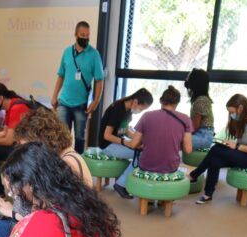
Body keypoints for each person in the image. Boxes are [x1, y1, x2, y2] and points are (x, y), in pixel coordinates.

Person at [0, 108, 95, 237]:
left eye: (25, 146)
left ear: (40, 142)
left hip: (51, 233)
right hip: (37, 221)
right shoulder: (64, 157)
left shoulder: (64, 165)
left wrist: (12, 212)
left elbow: (48, 223)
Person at [190, 94, 247, 204]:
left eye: (232, 112)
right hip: (246, 153)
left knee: (216, 150)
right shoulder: (244, 120)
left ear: (241, 108)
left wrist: (237, 146)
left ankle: (194, 175)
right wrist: (232, 143)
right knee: (215, 159)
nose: (231, 115)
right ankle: (207, 194)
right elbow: (245, 141)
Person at [113, 86, 192, 199]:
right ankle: (160, 198)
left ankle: (127, 186)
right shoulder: (185, 119)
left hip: (146, 165)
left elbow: (134, 144)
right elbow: (188, 150)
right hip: (170, 167)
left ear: (161, 101)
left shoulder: (147, 116)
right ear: (177, 103)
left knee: (141, 155)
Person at [51, 21, 105, 154]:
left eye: (87, 35)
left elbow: (99, 80)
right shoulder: (67, 52)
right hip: (64, 102)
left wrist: (96, 101)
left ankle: (78, 162)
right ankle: (63, 162)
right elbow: (61, 75)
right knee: (62, 137)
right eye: (82, 35)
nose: (85, 38)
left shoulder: (94, 54)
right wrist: (54, 96)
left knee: (80, 138)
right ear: (75, 35)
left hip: (81, 105)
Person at [0, 82, 31, 196]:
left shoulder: (17, 108)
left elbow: (8, 140)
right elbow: (4, 133)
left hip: (28, 149)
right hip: (21, 145)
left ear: (1, 98)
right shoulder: (11, 106)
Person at [99, 88, 153, 160]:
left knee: (144, 150)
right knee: (141, 154)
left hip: (117, 142)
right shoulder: (117, 109)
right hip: (107, 145)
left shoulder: (129, 110)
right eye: (141, 109)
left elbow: (125, 130)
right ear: (135, 102)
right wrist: (127, 143)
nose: (140, 111)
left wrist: (139, 140)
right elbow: (107, 136)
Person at [185, 69, 214, 150]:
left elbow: (195, 127)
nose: (187, 79)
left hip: (203, 136)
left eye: (189, 78)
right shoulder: (198, 99)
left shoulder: (201, 100)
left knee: (176, 139)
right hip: (200, 134)